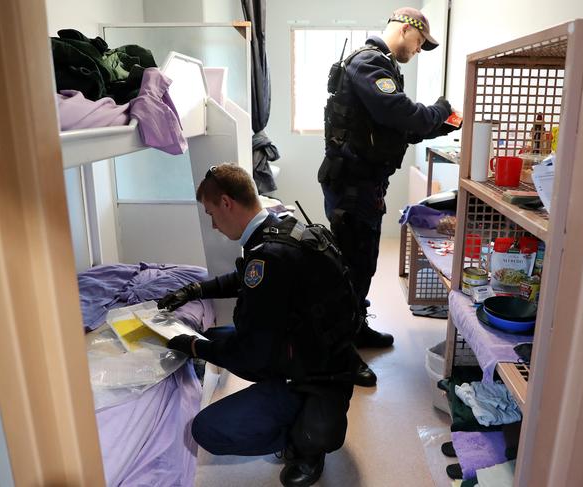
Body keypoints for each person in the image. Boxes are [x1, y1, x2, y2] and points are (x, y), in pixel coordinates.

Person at [160, 163, 359, 487]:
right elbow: (247, 278)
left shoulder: (269, 256)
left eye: (211, 213)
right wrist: (197, 290)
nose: (213, 225)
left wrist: (192, 345)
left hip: (315, 378)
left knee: (206, 428)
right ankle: (287, 406)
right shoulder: (283, 225)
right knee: (216, 337)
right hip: (319, 352)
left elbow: (251, 354)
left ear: (227, 203)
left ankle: (301, 441)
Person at [318, 7, 461, 387]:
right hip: (351, 185)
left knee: (362, 264)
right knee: (351, 268)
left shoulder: (382, 68)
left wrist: (438, 123)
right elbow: (402, 113)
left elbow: (403, 129)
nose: (418, 50)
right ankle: (339, 354)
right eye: (420, 42)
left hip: (362, 185)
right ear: (406, 28)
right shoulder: (369, 63)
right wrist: (440, 110)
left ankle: (357, 329)